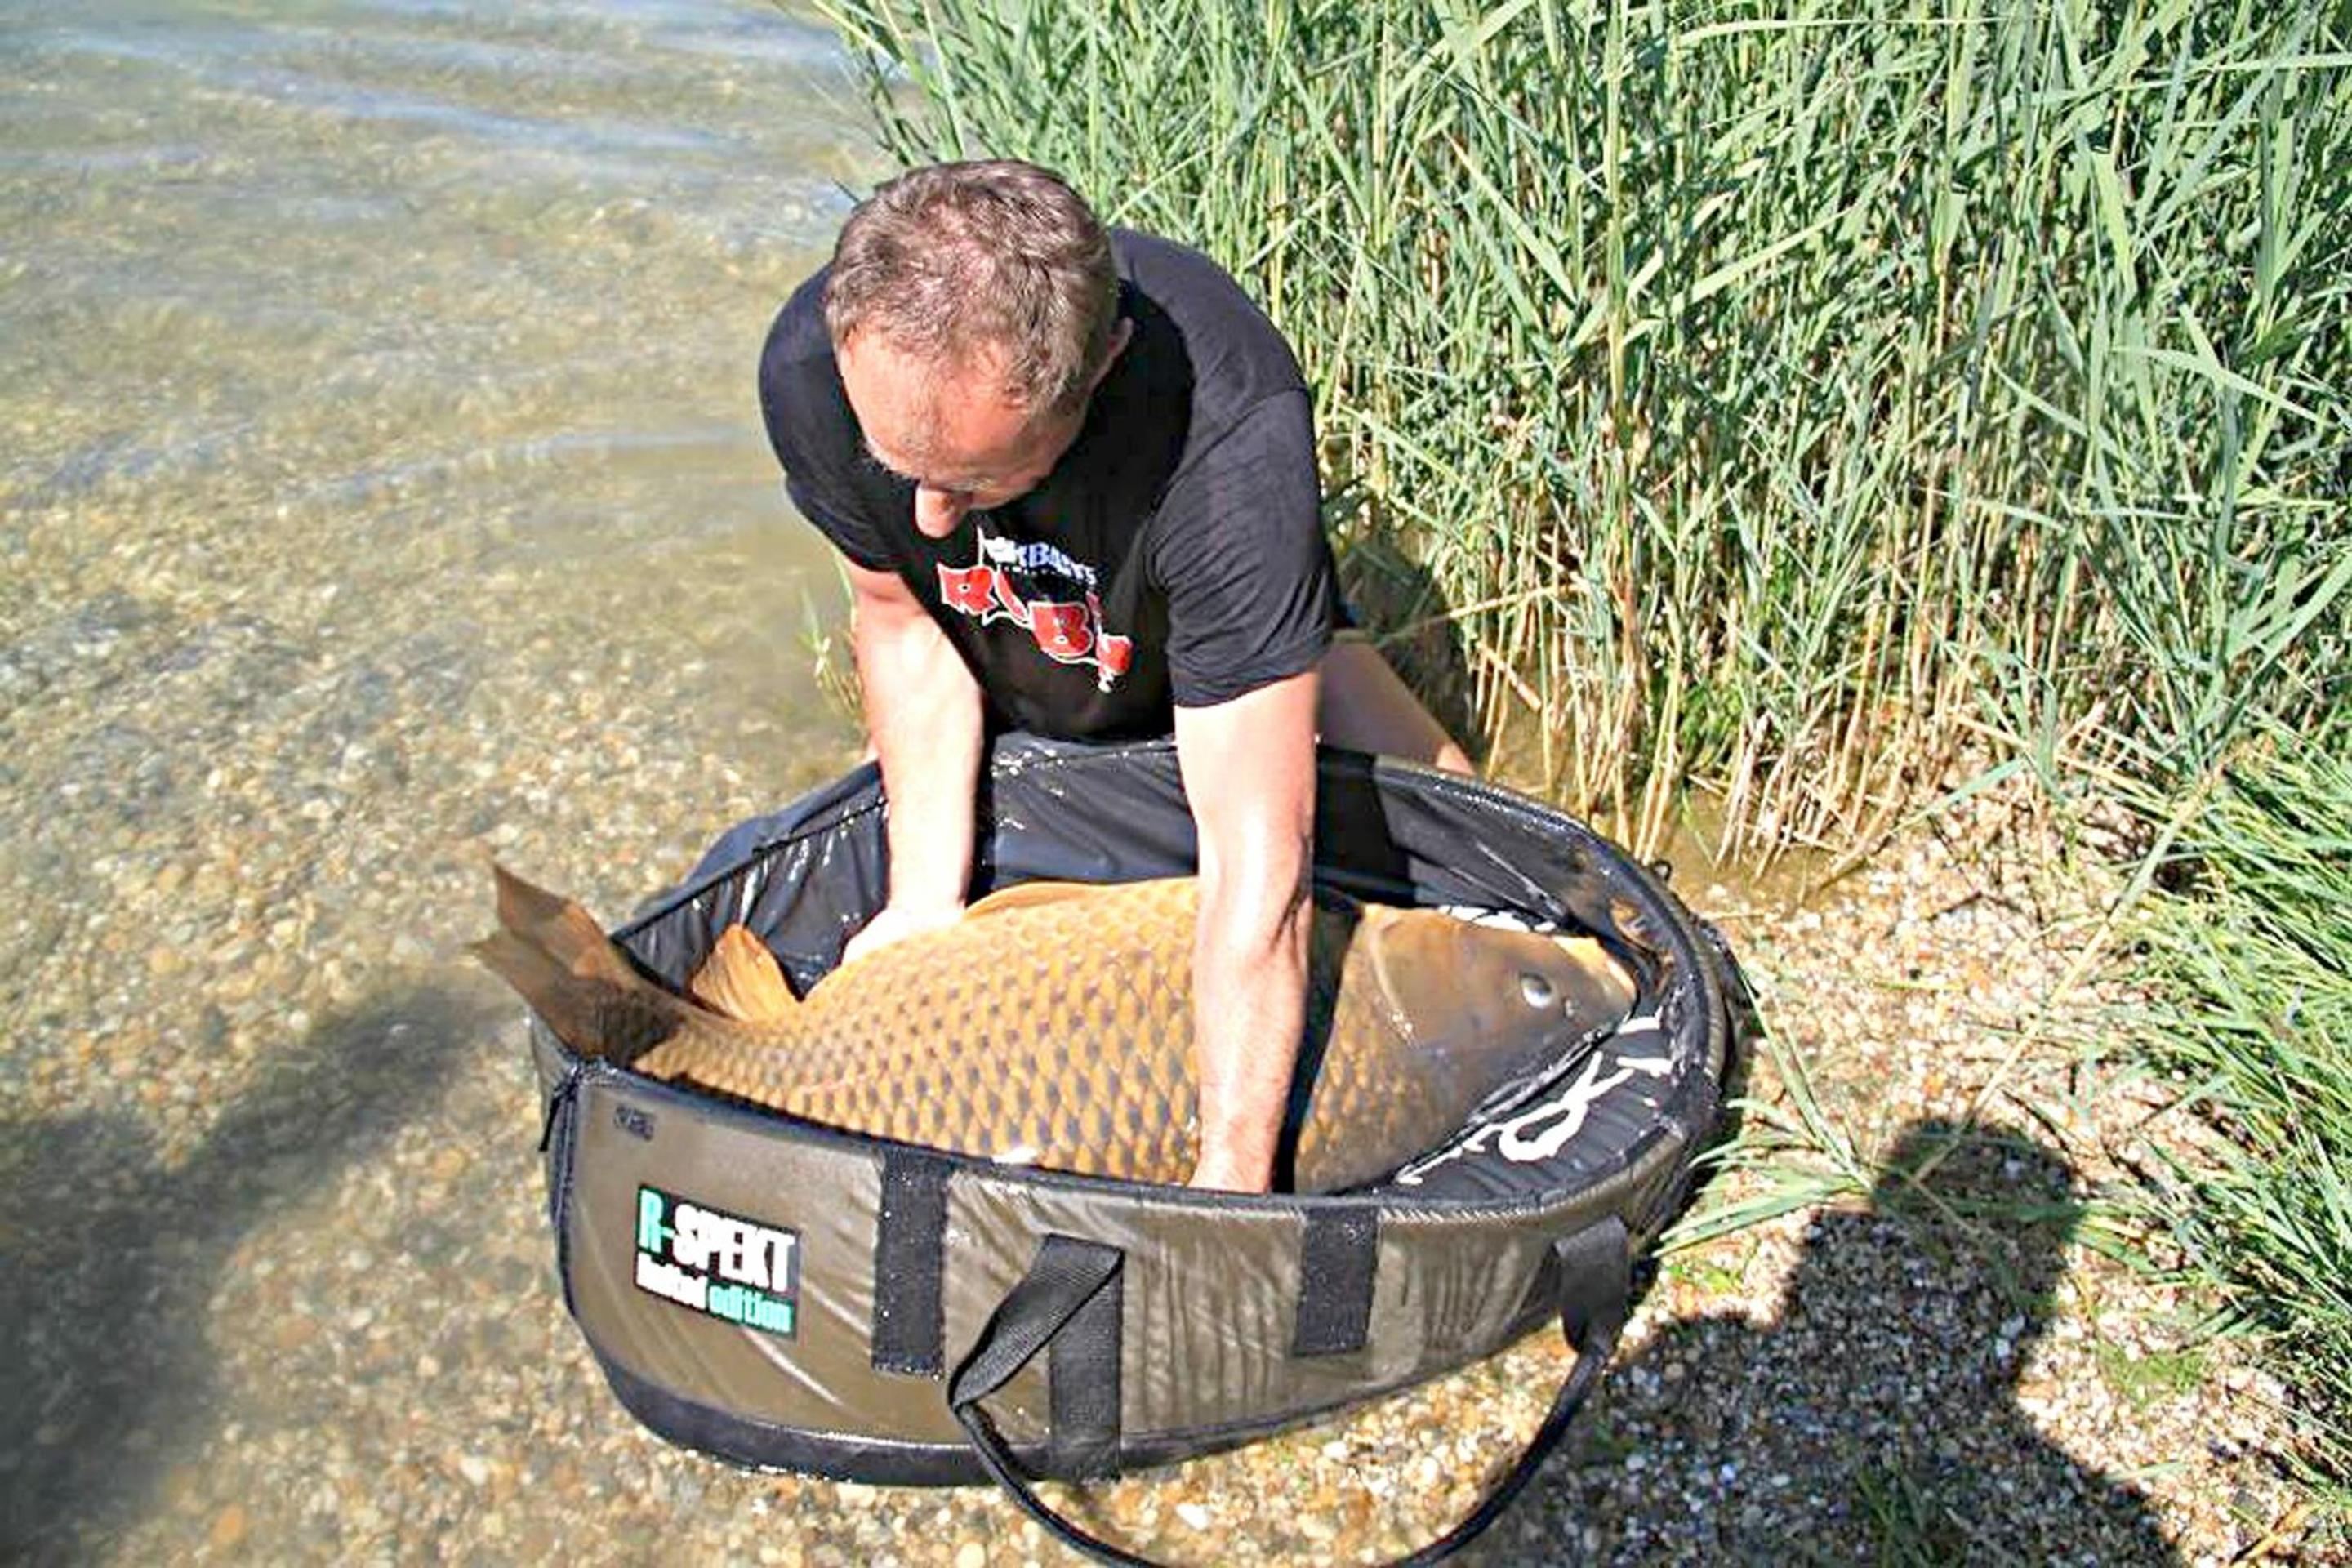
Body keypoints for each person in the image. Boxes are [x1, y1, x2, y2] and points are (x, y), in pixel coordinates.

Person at [758, 159, 1468, 1193]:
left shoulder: (1227, 439)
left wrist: (1230, 1177)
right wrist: (921, 907)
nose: (926, 520)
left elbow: (1256, 866)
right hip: (996, 644)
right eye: (898, 470)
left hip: (1205, 668)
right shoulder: (813, 371)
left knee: (1462, 815)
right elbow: (901, 616)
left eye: (975, 479)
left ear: (1100, 373)